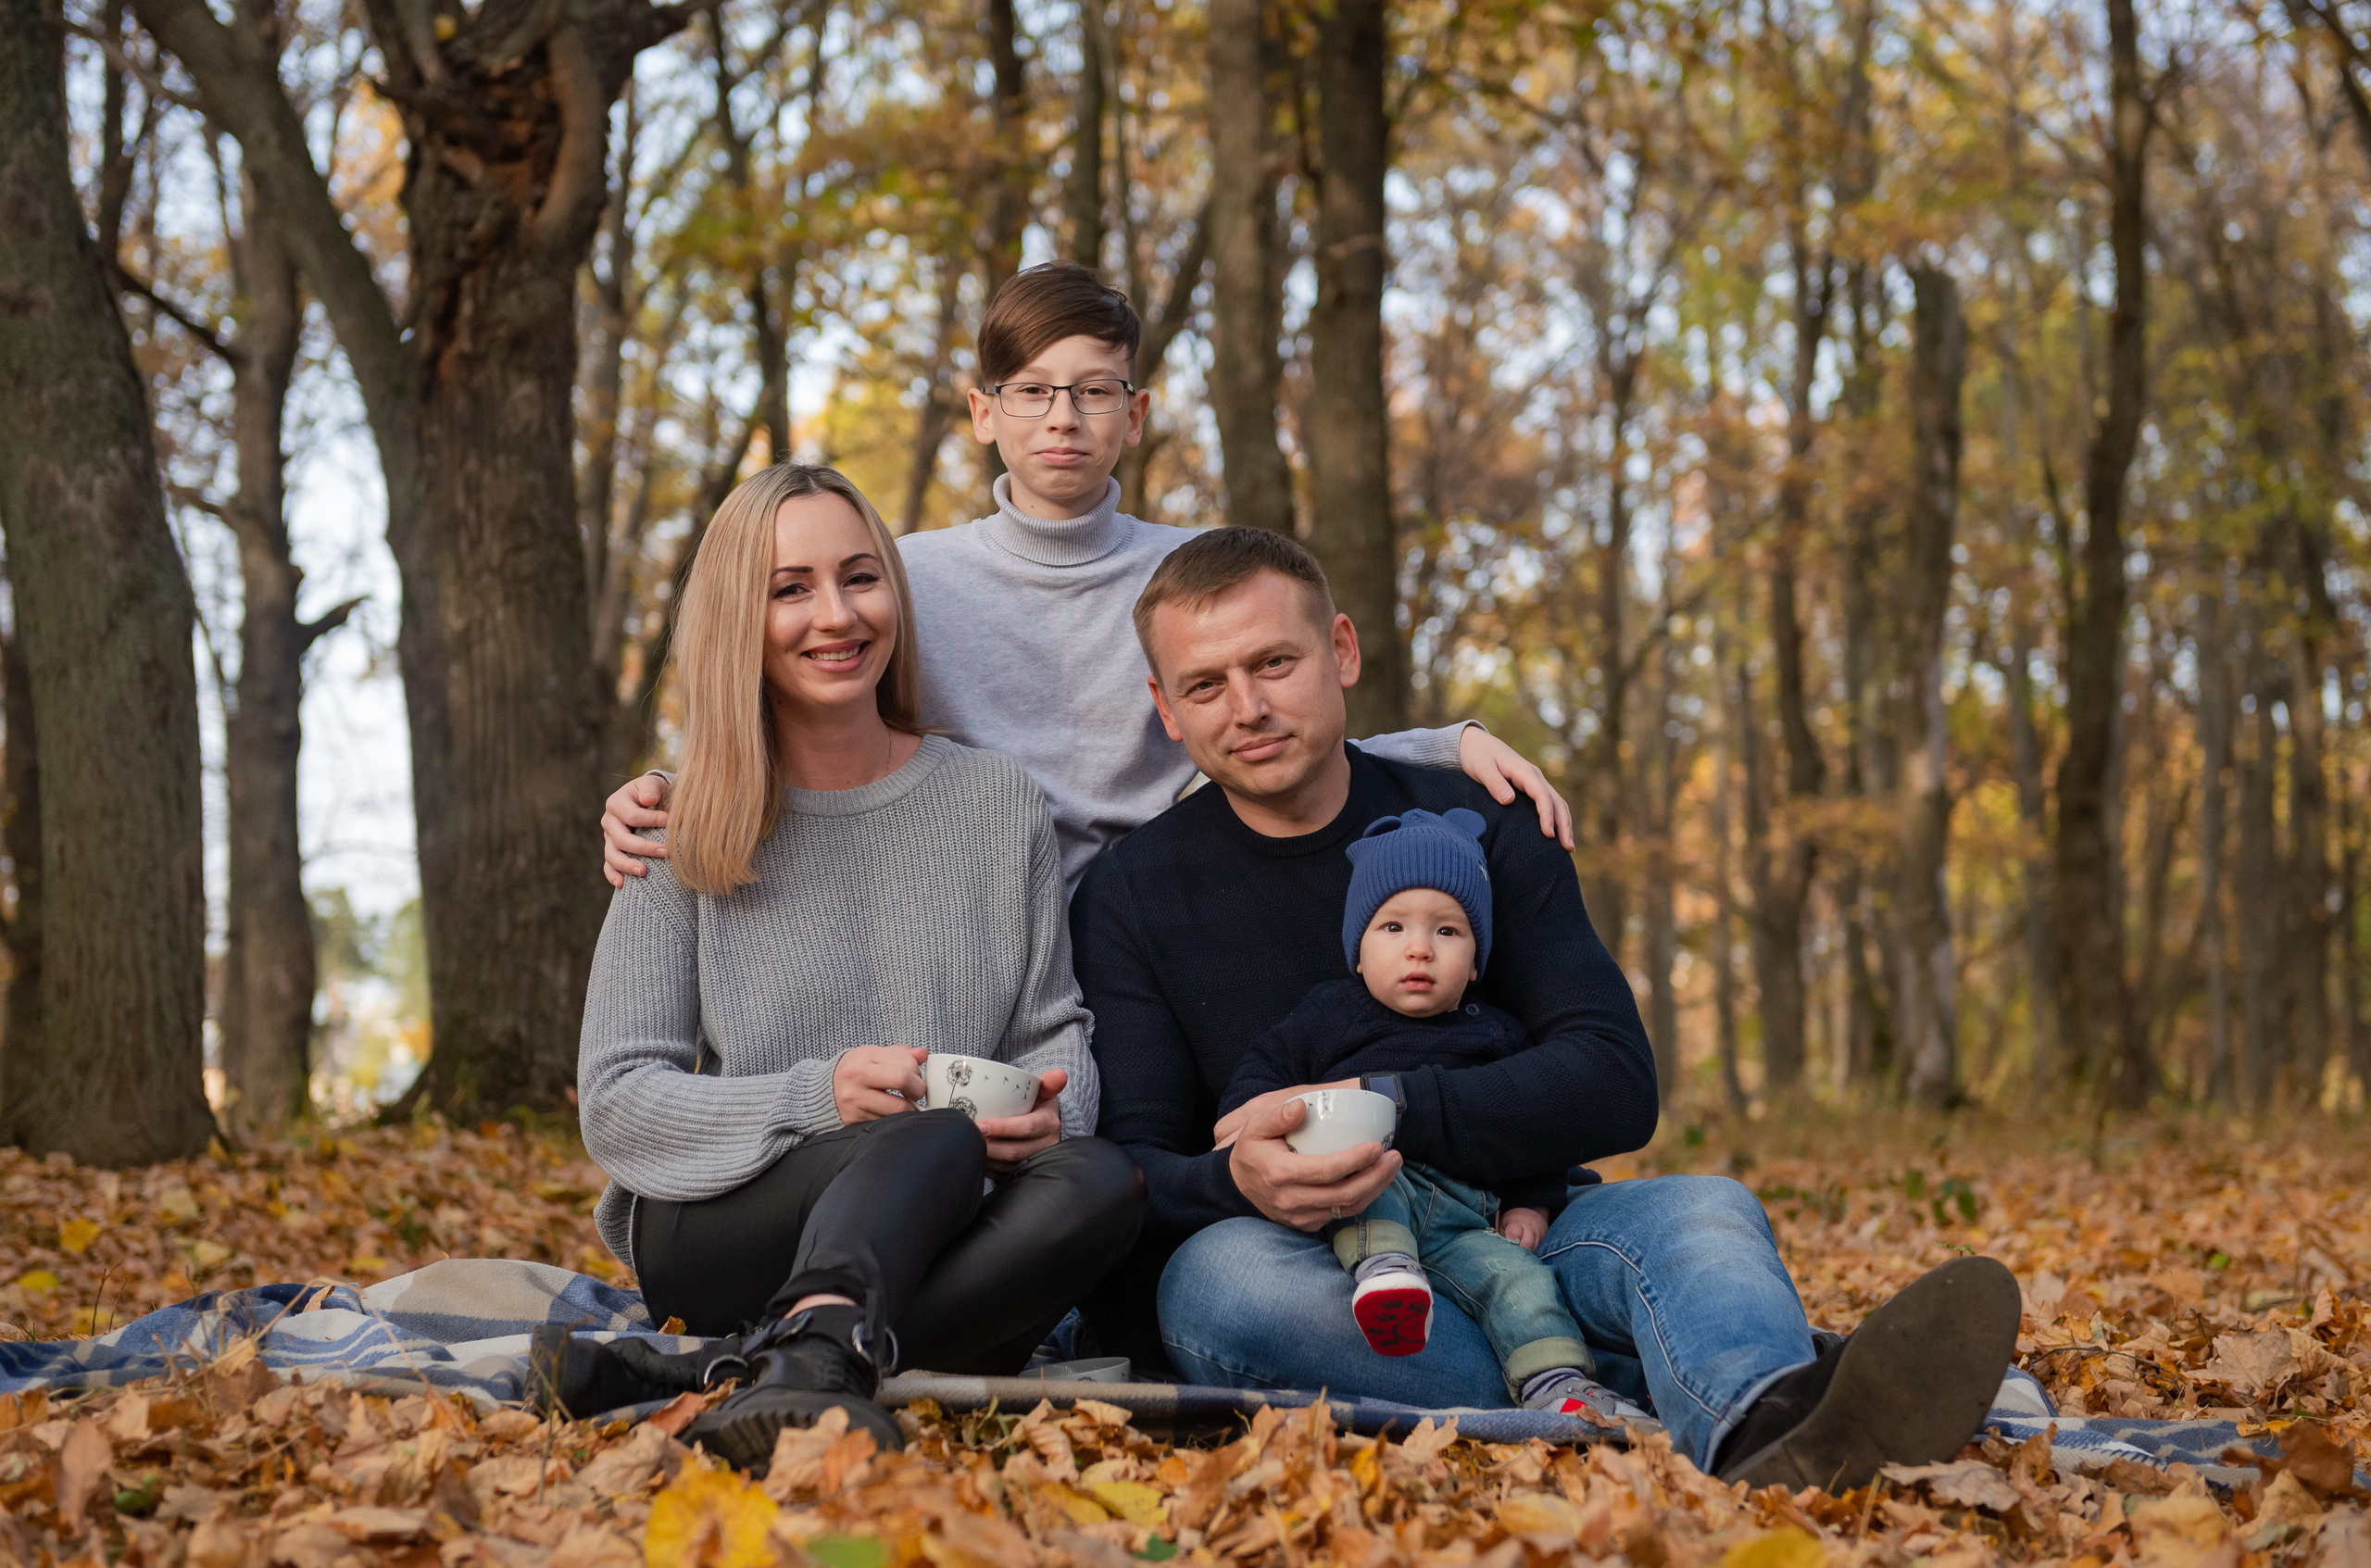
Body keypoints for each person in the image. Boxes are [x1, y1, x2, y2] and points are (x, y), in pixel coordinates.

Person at [1072, 525, 2021, 1492]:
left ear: (1341, 650)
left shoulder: (1480, 822)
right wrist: (1241, 1180)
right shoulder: (1133, 891)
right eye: (1205, 684)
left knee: (1705, 1207)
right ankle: (1665, 1380)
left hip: (1528, 1224)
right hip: (1321, 1263)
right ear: (1166, 708)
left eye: (1275, 661)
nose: (1249, 705)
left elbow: (1614, 1076)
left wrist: (1388, 1099)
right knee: (1219, 1285)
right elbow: (1136, 1165)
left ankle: (1756, 1425)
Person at [601, 261, 1574, 893]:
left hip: (1181, 904)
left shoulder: (1193, 575)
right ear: (983, 412)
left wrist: (1451, 743)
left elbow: (1283, 734)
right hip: (980, 920)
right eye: (1031, 391)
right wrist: (668, 785)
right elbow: (817, 717)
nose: (1062, 416)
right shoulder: (905, 579)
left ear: (1135, 413)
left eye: (1093, 389)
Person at [568, 462, 1144, 1471]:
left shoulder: (995, 801)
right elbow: (616, 1102)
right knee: (925, 1136)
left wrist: (1055, 1111)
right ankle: (809, 1339)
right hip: (723, 1222)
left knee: (1101, 1180)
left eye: (859, 576)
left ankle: (780, 1364)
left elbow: (1055, 1028)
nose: (834, 614)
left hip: (948, 1208)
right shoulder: (675, 819)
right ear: (736, 618)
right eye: (789, 588)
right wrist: (817, 1095)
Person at [1215, 805, 1644, 1424]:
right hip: (1369, 1186)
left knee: (1520, 1279)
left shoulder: (1497, 1034)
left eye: (1447, 931)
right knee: (1373, 1183)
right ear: (1357, 952)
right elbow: (1262, 1075)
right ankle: (1388, 1275)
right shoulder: (1330, 1014)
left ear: (1475, 961)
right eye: (1392, 928)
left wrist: (1531, 1202)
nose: (1419, 948)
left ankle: (1560, 1385)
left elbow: (1534, 1130)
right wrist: (1245, 1122)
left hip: (1467, 1218)